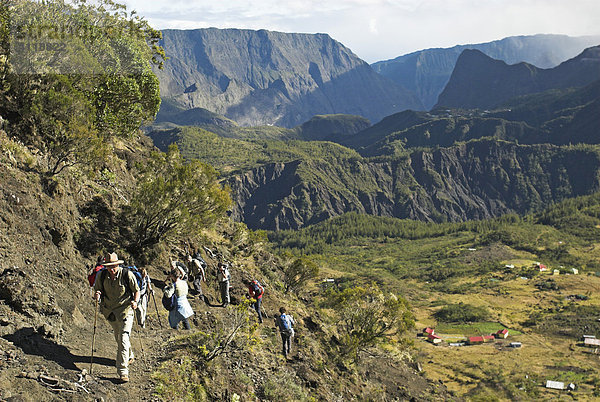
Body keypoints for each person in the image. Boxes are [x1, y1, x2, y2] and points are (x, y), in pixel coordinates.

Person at [93, 252, 140, 383]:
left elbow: (136, 290)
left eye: (113, 266)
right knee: (118, 337)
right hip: (110, 312)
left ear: (117, 264)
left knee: (123, 337)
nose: (111, 269)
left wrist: (135, 302)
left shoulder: (127, 275)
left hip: (126, 310)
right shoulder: (101, 275)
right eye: (108, 266)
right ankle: (129, 355)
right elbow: (97, 289)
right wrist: (97, 294)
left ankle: (123, 371)